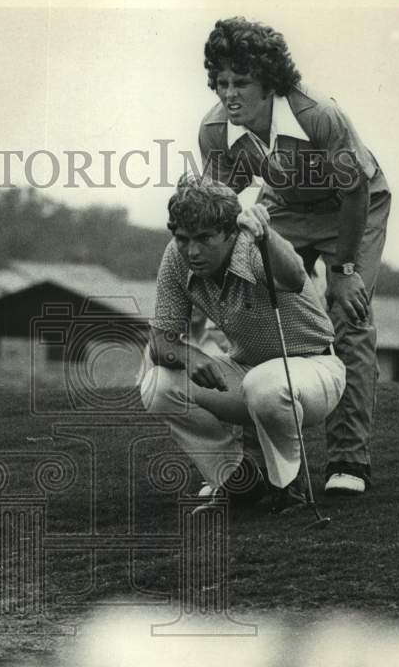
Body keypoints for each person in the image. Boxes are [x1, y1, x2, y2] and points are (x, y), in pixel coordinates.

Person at [198, 17, 391, 496]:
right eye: (221, 83)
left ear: (271, 83)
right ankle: (255, 464)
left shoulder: (318, 114)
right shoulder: (216, 131)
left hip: (351, 210)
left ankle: (348, 461)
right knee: (255, 312)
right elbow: (217, 207)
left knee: (348, 319)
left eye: (241, 82)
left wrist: (344, 271)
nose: (230, 94)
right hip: (286, 206)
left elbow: (354, 195)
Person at [140, 176, 346, 513]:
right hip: (248, 370)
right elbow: (161, 340)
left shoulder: (252, 244)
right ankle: (239, 480)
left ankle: (289, 486)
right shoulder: (176, 258)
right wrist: (188, 355)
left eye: (205, 238)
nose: (192, 251)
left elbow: (294, 278)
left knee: (264, 384)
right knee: (156, 385)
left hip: (315, 368)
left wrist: (267, 234)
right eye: (182, 239)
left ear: (229, 232)